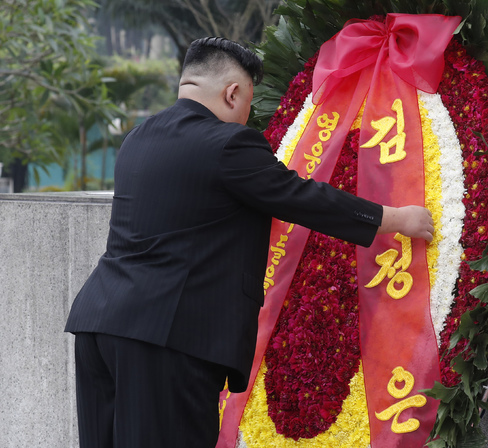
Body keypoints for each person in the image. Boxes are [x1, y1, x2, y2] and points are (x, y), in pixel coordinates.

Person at [64, 37, 434, 448]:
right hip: (165, 338)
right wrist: (396, 218)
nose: (246, 117)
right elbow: (302, 198)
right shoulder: (226, 143)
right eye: (248, 104)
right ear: (232, 92)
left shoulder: (138, 138)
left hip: (98, 324)